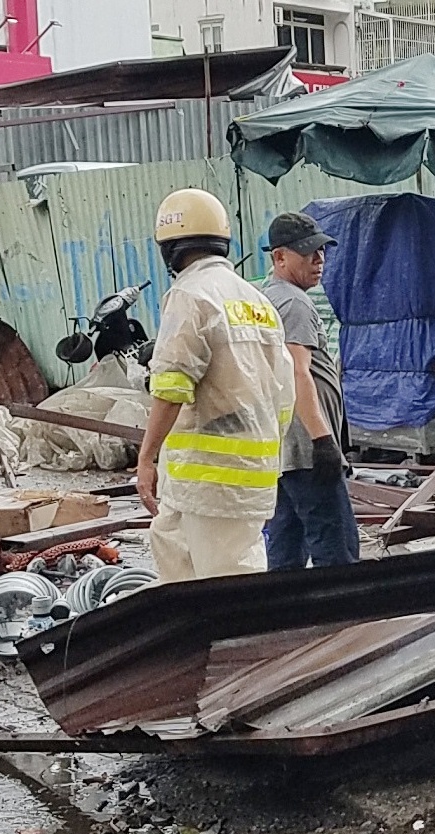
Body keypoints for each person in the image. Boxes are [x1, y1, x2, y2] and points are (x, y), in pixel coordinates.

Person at [136, 189, 296, 582]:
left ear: (171, 247)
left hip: (210, 480)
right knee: (172, 550)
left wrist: (145, 458)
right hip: (234, 474)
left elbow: (171, 386)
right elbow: (285, 394)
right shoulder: (257, 302)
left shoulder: (190, 296)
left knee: (230, 588)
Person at [260, 212, 359, 570]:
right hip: (306, 450)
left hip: (285, 450)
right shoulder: (294, 303)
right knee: (337, 548)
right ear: (280, 257)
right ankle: (346, 621)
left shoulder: (266, 298)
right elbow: (297, 373)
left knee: (285, 549)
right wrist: (322, 441)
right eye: (308, 253)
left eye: (321, 251)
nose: (319, 261)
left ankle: (283, 619)